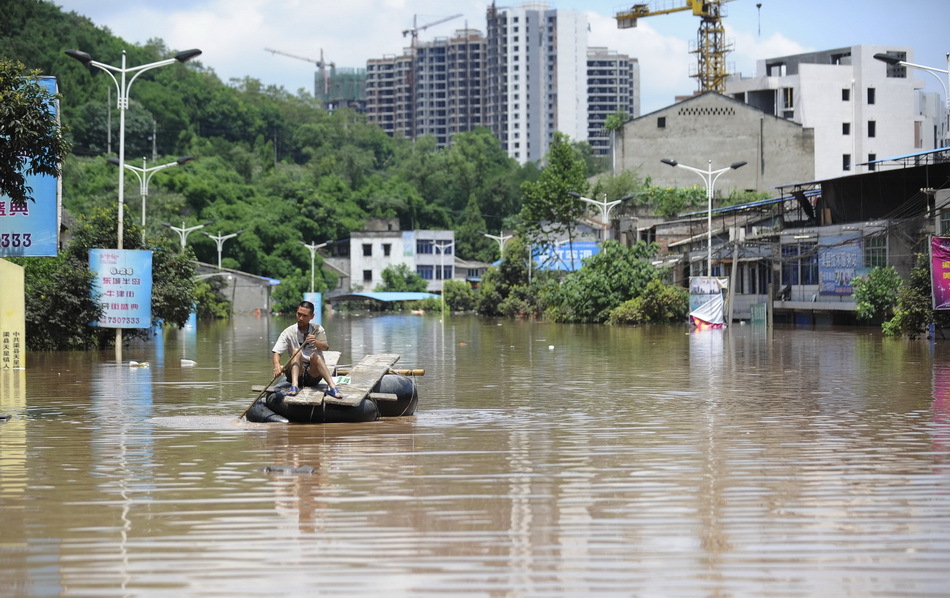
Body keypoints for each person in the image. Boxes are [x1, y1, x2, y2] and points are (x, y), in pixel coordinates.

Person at [271, 301, 343, 398]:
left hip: (313, 375)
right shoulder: (288, 332)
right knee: (296, 351)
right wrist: (277, 365)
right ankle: (294, 386)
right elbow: (277, 352)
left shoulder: (317, 329)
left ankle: (333, 387)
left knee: (316, 355)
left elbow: (325, 347)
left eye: (304, 316)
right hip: (296, 373)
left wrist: (316, 342)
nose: (300, 318)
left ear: (311, 316)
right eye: (299, 314)